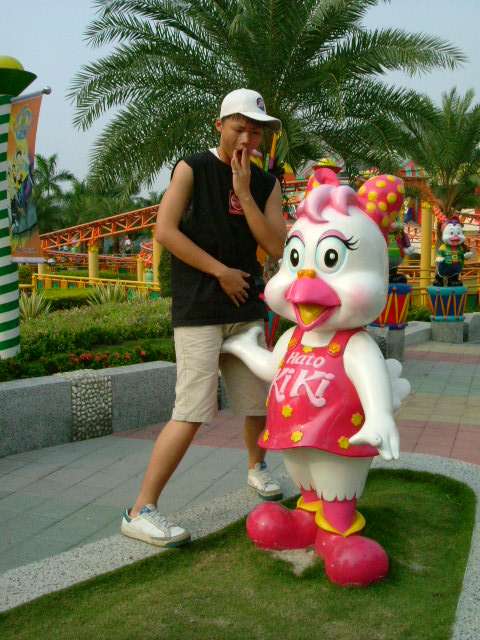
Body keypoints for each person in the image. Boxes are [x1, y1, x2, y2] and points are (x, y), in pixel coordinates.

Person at [121, 89, 287, 547]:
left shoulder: (266, 184)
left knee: (256, 402)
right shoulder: (191, 168)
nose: (247, 138)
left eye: (256, 131)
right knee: (191, 411)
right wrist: (220, 272)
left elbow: (276, 246)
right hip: (200, 310)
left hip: (245, 309)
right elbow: (165, 231)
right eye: (239, 128)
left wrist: (244, 193)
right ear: (220, 125)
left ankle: (256, 468)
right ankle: (140, 510)